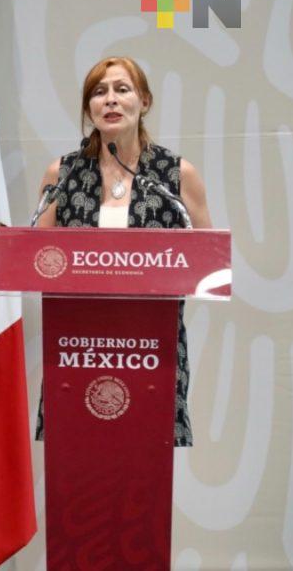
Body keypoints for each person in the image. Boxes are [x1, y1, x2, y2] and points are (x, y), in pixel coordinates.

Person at [34, 56, 212, 446]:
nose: (110, 99)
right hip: (77, 348)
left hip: (151, 348)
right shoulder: (61, 174)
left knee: (145, 462)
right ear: (89, 109)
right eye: (99, 92)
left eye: (122, 89)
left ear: (144, 101)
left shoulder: (177, 175)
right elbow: (37, 259)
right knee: (79, 464)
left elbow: (207, 262)